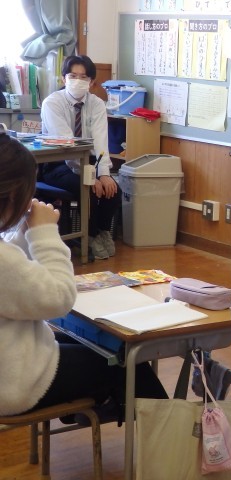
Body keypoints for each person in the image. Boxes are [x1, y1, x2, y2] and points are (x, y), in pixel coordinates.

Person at [0, 133, 167, 421]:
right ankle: (174, 440)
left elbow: (15, 279)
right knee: (128, 363)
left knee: (96, 345)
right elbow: (59, 299)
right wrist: (45, 234)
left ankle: (94, 408)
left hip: (13, 364)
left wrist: (25, 234)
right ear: (14, 195)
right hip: (15, 385)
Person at [40, 55, 121, 260]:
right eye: (73, 76)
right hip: (58, 163)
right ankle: (90, 237)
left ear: (92, 82)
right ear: (63, 78)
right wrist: (90, 177)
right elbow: (68, 144)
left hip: (88, 160)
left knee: (114, 190)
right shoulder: (52, 103)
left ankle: (100, 232)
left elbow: (101, 140)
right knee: (88, 189)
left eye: (84, 77)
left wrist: (104, 174)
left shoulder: (97, 104)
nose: (78, 80)